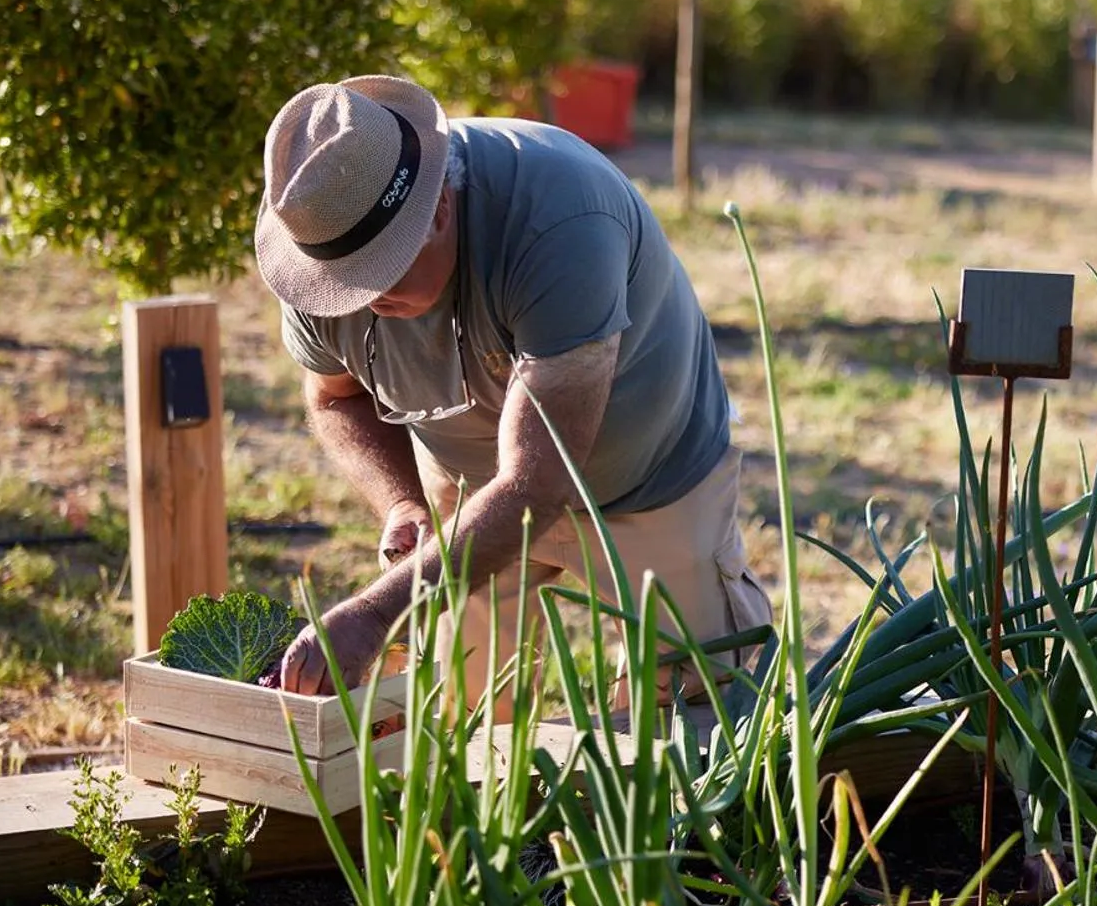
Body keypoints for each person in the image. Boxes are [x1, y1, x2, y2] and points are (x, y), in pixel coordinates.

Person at [253, 74, 771, 712]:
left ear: (440, 208)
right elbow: (336, 397)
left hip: (644, 483)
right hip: (467, 490)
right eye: (343, 286)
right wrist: (402, 503)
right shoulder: (320, 226)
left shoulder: (558, 221)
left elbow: (535, 483)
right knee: (460, 717)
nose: (361, 303)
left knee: (699, 712)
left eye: (380, 275)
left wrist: (375, 612)